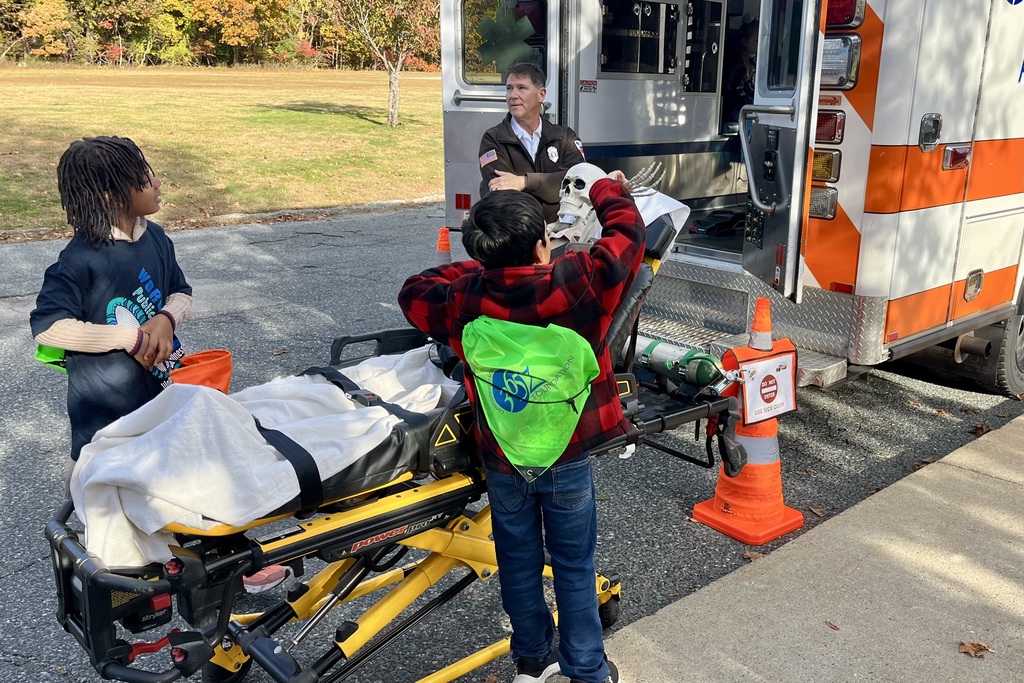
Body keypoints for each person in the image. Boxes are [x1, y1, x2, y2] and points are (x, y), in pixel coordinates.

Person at [397, 165, 642, 683]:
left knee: (519, 565)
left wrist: (480, 270)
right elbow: (627, 235)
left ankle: (532, 661)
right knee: (575, 568)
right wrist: (602, 185)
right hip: (566, 453)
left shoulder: (464, 298)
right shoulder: (578, 281)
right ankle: (588, 671)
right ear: (541, 247)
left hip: (503, 458)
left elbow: (413, 290)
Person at [30, 136, 192, 464]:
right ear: (111, 195)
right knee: (98, 485)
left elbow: (181, 291)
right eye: (145, 180)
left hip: (160, 389)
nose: (157, 182)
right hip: (105, 415)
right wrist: (128, 338)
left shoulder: (156, 237)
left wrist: (166, 318)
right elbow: (49, 328)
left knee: (157, 473)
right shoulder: (79, 260)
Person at [478, 62, 586, 225]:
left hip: (561, 232)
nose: (512, 95)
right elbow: (503, 193)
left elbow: (578, 182)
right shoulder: (493, 139)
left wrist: (524, 182)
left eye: (521, 88)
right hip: (516, 233)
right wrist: (551, 189)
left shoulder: (564, 137)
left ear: (541, 95)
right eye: (509, 88)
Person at [723, 18, 759, 127]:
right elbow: (735, 93)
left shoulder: (759, 65)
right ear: (744, 42)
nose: (759, 44)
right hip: (738, 110)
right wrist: (752, 105)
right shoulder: (738, 67)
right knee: (751, 125)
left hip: (754, 109)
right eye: (756, 41)